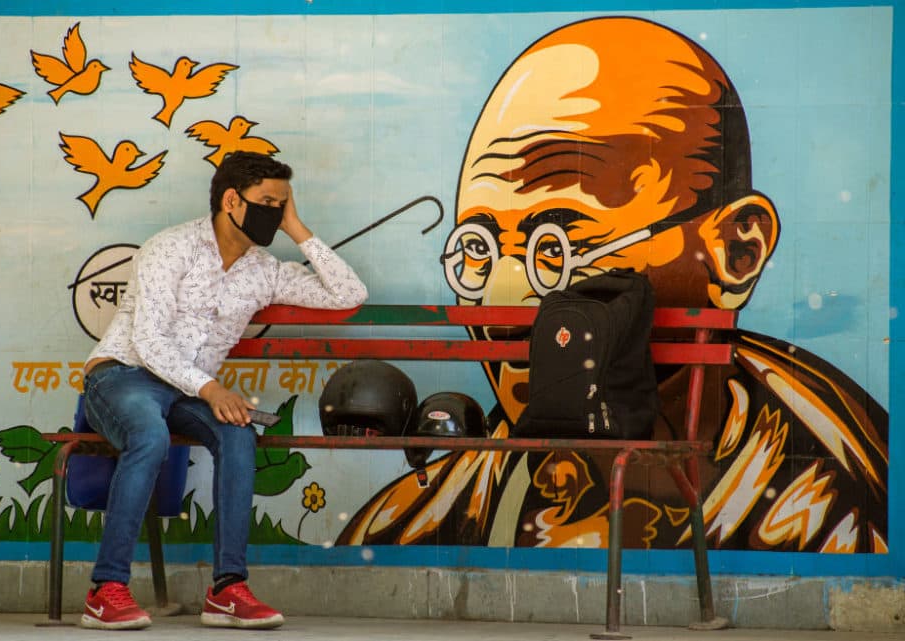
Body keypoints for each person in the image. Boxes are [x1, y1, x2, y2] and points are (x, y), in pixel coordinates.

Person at [338, 16, 888, 554]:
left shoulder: (844, 512)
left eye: (556, 250)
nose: (502, 308)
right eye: (477, 251)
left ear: (736, 251)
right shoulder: (415, 522)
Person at [79, 151, 368, 630]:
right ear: (231, 200)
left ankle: (227, 589)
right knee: (149, 437)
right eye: (268, 203)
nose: (274, 213)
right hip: (123, 375)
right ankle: (105, 590)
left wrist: (297, 229)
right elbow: (148, 342)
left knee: (238, 435)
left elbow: (348, 294)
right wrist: (211, 388)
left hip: (188, 392)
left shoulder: (264, 269)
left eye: (282, 204)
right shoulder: (169, 248)